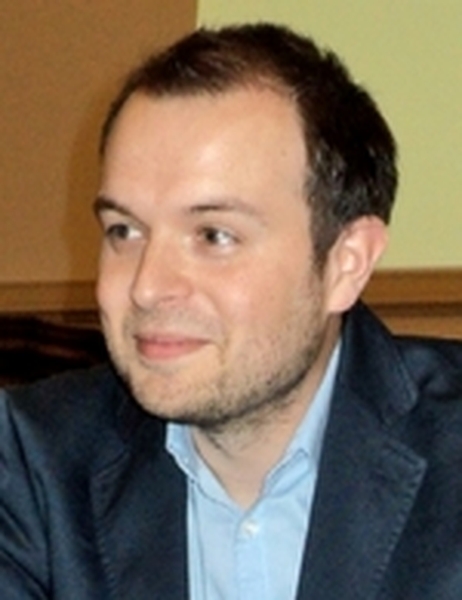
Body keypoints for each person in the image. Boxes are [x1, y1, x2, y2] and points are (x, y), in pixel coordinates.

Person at [1, 22, 462, 600]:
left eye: (214, 236)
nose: (147, 287)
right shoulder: (29, 463)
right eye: (124, 230)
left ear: (346, 264)